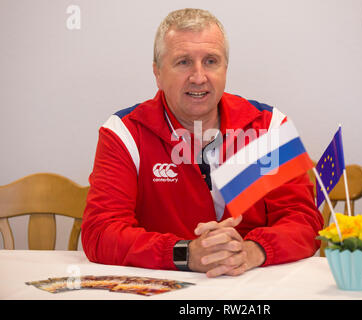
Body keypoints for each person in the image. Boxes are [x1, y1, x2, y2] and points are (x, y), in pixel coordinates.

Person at [81, 8, 323, 278]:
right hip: (165, 285)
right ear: (157, 73)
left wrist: (252, 251)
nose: (198, 77)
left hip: (253, 283)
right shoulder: (124, 132)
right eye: (183, 62)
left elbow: (304, 221)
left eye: (210, 61)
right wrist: (185, 253)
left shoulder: (268, 126)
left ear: (225, 69)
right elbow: (100, 232)